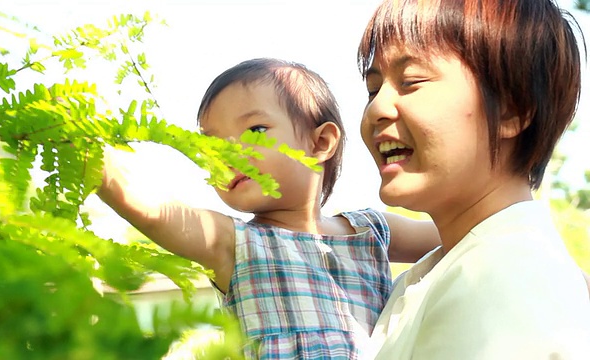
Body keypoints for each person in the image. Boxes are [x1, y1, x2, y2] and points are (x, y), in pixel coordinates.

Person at [98, 58, 440, 359]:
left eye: (255, 130)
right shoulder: (233, 242)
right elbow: (155, 213)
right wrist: (95, 161)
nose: (228, 154)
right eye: (211, 145)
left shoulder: (370, 230)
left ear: (320, 142)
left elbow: (464, 230)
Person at [356, 0, 590, 358]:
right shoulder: (443, 272)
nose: (376, 108)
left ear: (512, 110)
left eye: (411, 82)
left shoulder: (506, 275)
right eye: (373, 90)